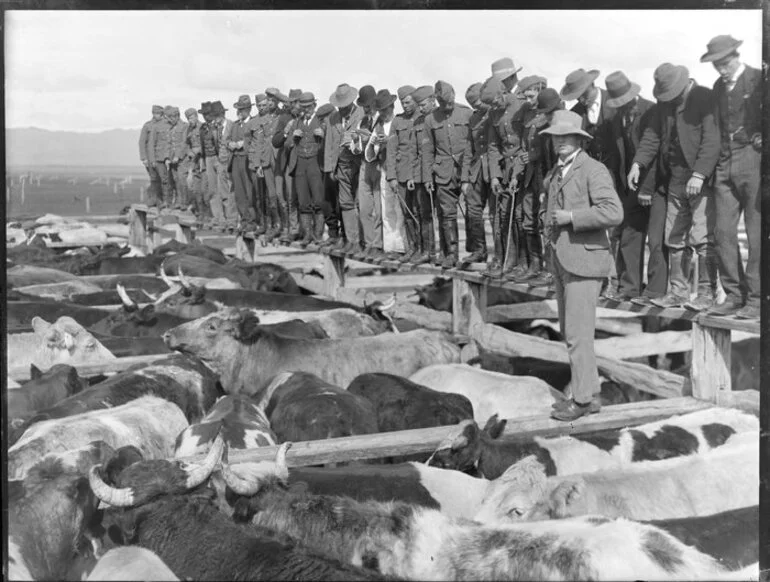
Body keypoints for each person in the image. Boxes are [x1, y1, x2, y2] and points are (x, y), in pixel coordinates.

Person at [540, 110, 623, 422]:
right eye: (555, 137)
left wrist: (572, 218)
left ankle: (583, 400)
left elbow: (613, 212)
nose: (559, 141)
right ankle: (590, 394)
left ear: (578, 139)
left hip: (585, 262)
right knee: (571, 331)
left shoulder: (593, 169)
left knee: (577, 333)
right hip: (563, 261)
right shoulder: (559, 171)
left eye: (565, 136)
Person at [629, 63, 721, 310]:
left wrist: (700, 174)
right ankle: (678, 293)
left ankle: (706, 294)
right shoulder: (664, 105)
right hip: (675, 179)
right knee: (674, 237)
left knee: (702, 238)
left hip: (698, 180)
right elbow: (652, 136)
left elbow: (712, 140)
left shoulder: (703, 97)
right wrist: (638, 163)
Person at [701, 35, 761, 320]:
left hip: (754, 160)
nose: (722, 70)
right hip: (725, 163)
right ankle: (734, 295)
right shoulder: (716, 88)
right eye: (717, 66)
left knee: (756, 233)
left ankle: (758, 299)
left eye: (725, 63)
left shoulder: (760, 80)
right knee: (722, 233)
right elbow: (713, 129)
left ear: (737, 55)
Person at [601, 72, 666, 304]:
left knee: (657, 239)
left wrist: (647, 188)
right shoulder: (617, 119)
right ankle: (630, 289)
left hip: (656, 185)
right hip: (630, 188)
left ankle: (656, 292)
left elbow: (655, 152)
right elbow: (617, 156)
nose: (623, 107)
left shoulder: (651, 111)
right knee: (630, 235)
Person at [423, 80, 473, 269]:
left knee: (473, 211)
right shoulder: (430, 119)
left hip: (466, 169)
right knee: (446, 214)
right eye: (444, 104)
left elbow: (473, 145)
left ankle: (476, 252)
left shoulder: (466, 113)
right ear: (437, 101)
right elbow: (428, 151)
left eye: (450, 102)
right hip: (442, 172)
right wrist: (428, 177)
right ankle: (451, 254)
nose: (448, 107)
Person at [508, 75, 549, 282]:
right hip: (528, 175)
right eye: (525, 96)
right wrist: (516, 174)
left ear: (541, 89)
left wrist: (534, 155)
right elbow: (521, 148)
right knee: (528, 221)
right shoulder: (525, 112)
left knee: (546, 220)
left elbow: (552, 147)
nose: (528, 100)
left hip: (546, 174)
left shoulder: (552, 111)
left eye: (531, 95)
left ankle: (550, 270)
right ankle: (535, 266)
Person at [459, 82, 502, 269]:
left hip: (495, 168)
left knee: (496, 214)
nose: (475, 107)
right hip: (477, 170)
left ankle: (500, 256)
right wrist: (465, 178)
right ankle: (479, 250)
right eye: (472, 105)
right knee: (473, 210)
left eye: (477, 102)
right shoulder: (474, 119)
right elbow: (469, 149)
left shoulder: (497, 114)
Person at [525, 87, 564, 289]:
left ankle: (560, 272)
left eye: (549, 113)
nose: (546, 117)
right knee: (547, 227)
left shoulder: (570, 127)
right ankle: (550, 272)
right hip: (550, 184)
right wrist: (542, 189)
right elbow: (542, 164)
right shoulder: (544, 132)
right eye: (545, 114)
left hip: (568, 185)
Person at [276, 92, 326, 247]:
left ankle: (318, 235)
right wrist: (292, 138)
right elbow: (285, 145)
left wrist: (323, 136)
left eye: (309, 107)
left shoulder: (321, 122)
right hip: (299, 165)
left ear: (314, 106)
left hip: (315, 164)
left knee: (318, 200)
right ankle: (307, 235)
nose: (306, 110)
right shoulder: (295, 122)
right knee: (303, 201)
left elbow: (329, 145)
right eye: (303, 107)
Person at [325, 83, 366, 253]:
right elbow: (329, 145)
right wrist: (329, 169)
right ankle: (352, 240)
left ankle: (364, 241)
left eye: (344, 105)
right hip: (340, 166)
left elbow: (367, 140)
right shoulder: (332, 118)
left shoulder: (362, 114)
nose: (341, 109)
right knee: (345, 203)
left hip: (359, 164)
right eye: (339, 106)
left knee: (360, 203)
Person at [366, 89, 406, 259]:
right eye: (380, 110)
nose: (383, 113)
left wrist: (389, 142)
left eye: (385, 109)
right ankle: (391, 248)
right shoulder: (378, 126)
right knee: (387, 209)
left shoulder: (399, 122)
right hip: (384, 170)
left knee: (400, 209)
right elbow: (369, 155)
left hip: (399, 171)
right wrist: (373, 144)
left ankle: (403, 246)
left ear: (392, 107)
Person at [386, 85, 419, 262]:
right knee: (406, 213)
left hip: (419, 174)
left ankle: (424, 250)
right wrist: (391, 176)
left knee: (420, 212)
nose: (405, 106)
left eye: (408, 102)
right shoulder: (397, 122)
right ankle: (412, 248)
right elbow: (391, 150)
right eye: (402, 103)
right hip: (401, 174)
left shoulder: (423, 119)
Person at [409, 85, 438, 265]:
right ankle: (427, 251)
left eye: (424, 104)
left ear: (433, 100)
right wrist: (412, 175)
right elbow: (414, 151)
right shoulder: (418, 122)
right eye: (419, 105)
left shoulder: (440, 117)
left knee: (443, 214)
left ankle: (444, 252)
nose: (421, 108)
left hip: (439, 173)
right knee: (423, 213)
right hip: (420, 174)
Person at [272, 89, 304, 242]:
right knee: (281, 195)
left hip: (301, 161)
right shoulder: (284, 117)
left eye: (296, 102)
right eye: (293, 103)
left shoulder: (306, 117)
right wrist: (285, 132)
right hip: (285, 161)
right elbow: (275, 141)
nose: (295, 105)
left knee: (295, 197)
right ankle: (288, 227)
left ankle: (296, 229)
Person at [226, 95, 258, 235]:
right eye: (239, 109)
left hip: (248, 160)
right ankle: (244, 221)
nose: (240, 112)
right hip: (236, 161)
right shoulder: (234, 124)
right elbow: (226, 140)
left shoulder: (253, 122)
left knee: (250, 193)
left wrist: (243, 144)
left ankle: (252, 221)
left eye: (243, 109)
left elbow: (256, 141)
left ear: (249, 109)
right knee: (239, 194)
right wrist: (230, 144)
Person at [312, 102, 338, 247]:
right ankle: (333, 235)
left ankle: (346, 238)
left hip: (337, 171)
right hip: (325, 171)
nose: (321, 123)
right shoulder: (324, 131)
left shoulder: (336, 127)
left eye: (323, 119)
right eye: (320, 120)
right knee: (326, 203)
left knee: (341, 205)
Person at [211, 100, 238, 233]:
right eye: (214, 115)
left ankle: (233, 219)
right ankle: (227, 219)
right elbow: (216, 145)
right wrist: (217, 160)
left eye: (217, 115)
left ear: (222, 114)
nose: (216, 118)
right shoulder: (215, 129)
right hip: (221, 163)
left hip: (231, 162)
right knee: (223, 192)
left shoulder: (232, 125)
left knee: (232, 191)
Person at [147, 105, 176, 209]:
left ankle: (172, 202)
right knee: (163, 180)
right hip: (159, 158)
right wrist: (152, 159)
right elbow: (151, 144)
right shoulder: (157, 126)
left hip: (172, 157)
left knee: (173, 180)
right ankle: (165, 201)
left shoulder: (174, 125)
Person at [182, 107, 206, 219]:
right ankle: (199, 212)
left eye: (192, 117)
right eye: (188, 119)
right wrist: (190, 152)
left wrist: (198, 150)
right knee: (195, 189)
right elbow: (186, 144)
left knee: (205, 189)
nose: (190, 120)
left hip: (204, 161)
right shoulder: (188, 130)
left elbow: (207, 143)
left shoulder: (203, 127)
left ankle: (207, 214)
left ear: (196, 116)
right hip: (194, 162)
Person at [139, 105, 164, 207]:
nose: (157, 115)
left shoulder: (164, 125)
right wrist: (143, 158)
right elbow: (142, 142)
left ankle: (161, 200)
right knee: (154, 179)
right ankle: (154, 199)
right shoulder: (148, 126)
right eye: (155, 113)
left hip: (161, 157)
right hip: (150, 158)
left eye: (159, 113)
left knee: (163, 179)